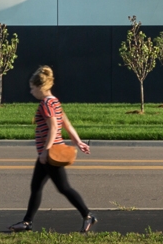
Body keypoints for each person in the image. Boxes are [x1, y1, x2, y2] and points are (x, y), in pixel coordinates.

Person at [9, 65, 97, 233]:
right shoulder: (54, 101)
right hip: (48, 154)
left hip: (51, 154)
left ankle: (88, 215)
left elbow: (55, 127)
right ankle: (27, 222)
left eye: (32, 88)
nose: (31, 92)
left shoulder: (45, 104)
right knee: (36, 187)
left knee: (64, 188)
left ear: (41, 87)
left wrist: (45, 150)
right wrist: (79, 142)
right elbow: (67, 124)